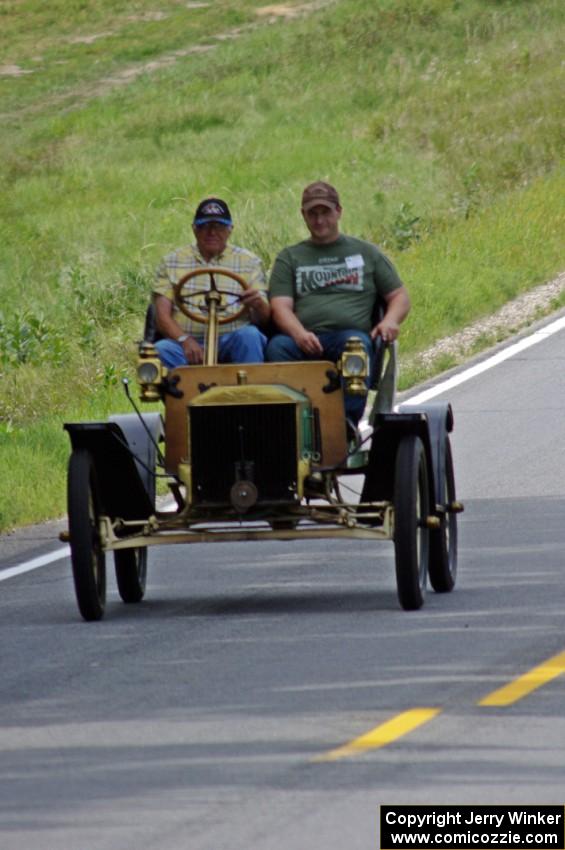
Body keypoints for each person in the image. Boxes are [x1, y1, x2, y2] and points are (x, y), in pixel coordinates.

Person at [266, 181, 411, 423]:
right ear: (303, 215)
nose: (319, 220)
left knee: (355, 346)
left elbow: (399, 296)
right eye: (313, 213)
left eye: (325, 212)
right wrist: (299, 334)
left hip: (350, 337)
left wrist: (390, 321)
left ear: (338, 212)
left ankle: (345, 426)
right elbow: (280, 306)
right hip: (303, 339)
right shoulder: (290, 257)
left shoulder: (366, 253)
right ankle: (289, 423)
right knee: (276, 348)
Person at [153, 197, 270, 367]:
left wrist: (258, 303)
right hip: (187, 342)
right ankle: (182, 392)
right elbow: (162, 316)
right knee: (161, 349)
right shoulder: (172, 262)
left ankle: (248, 391)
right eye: (205, 226)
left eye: (219, 226)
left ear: (230, 229)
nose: (212, 233)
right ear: (194, 229)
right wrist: (184, 340)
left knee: (250, 336)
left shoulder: (249, 262)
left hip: (232, 337)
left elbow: (264, 317)